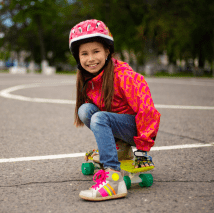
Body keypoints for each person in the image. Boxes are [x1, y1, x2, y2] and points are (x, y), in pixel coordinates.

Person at [69, 19, 161, 201]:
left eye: (96, 51)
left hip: (135, 128)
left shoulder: (124, 77)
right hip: (117, 124)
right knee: (85, 110)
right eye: (84, 54)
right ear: (78, 57)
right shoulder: (90, 80)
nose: (91, 59)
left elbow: (147, 110)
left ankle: (113, 179)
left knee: (99, 118)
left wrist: (142, 148)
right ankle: (119, 149)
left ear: (107, 51)